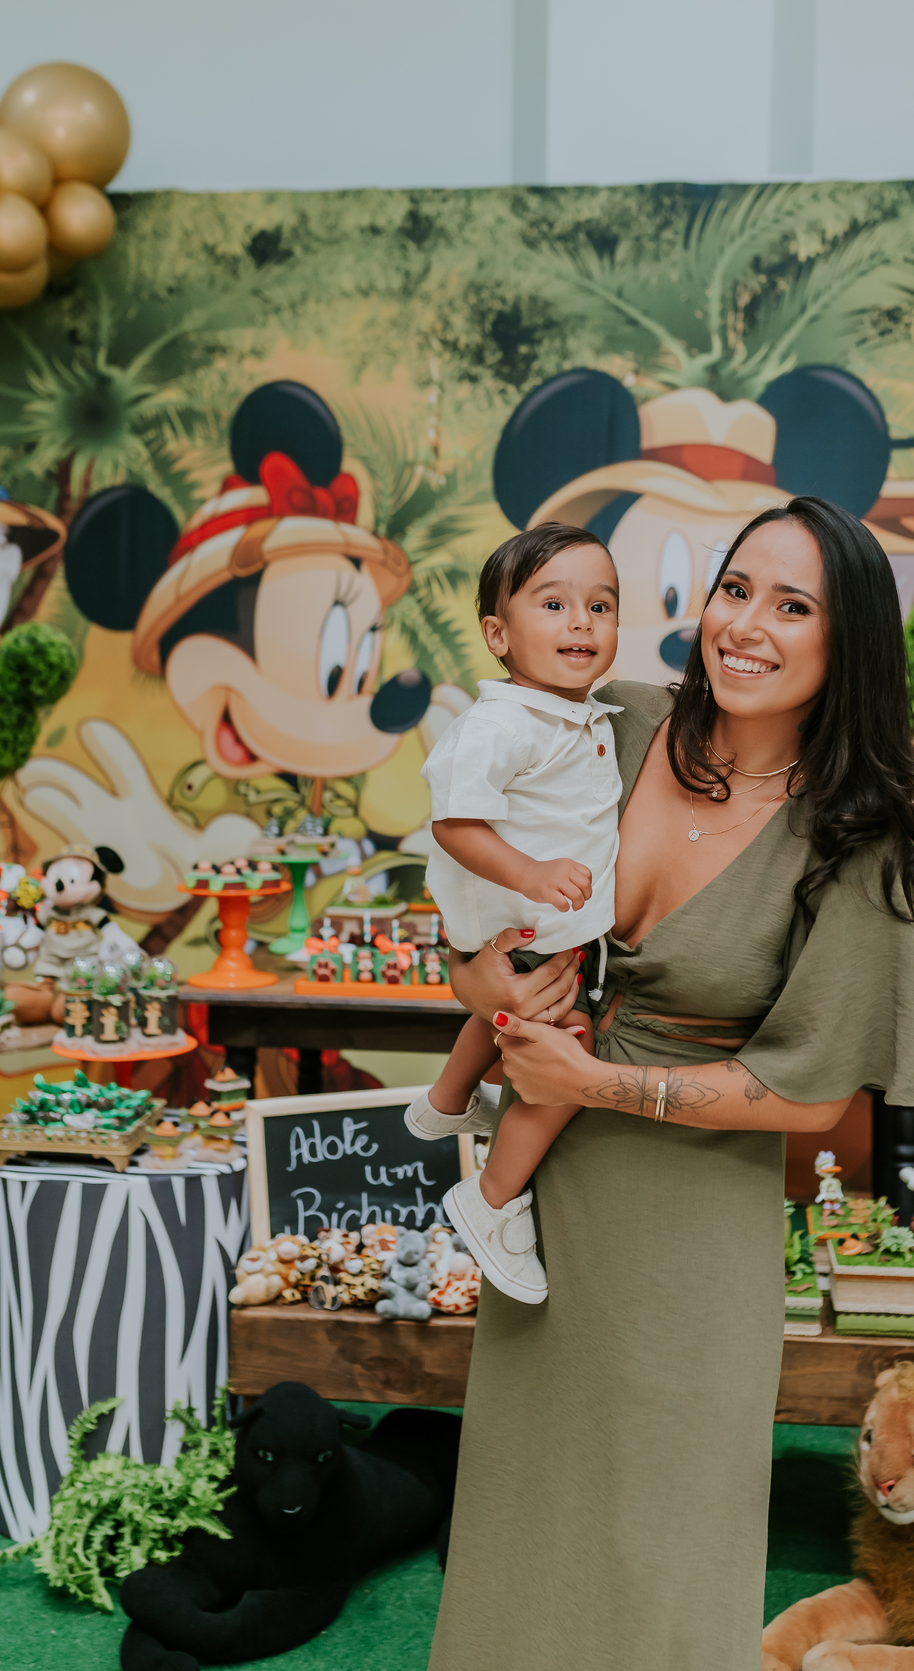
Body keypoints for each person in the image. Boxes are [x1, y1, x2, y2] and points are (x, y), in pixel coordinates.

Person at [427, 497, 914, 1671]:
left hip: (688, 1227)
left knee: (667, 1539)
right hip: (544, 1203)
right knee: (526, 1514)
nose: (747, 625)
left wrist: (599, 1082)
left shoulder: (850, 841)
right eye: (735, 589)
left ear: (843, 640)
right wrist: (478, 979)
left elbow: (813, 1096)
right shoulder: (603, 722)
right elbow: (470, 886)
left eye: (793, 604)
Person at [407, 522, 622, 1303]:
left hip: (531, 932)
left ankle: (446, 1103)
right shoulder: (501, 723)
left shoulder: (577, 715)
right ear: (498, 634)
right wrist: (530, 871)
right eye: (555, 603)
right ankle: (491, 1199)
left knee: (508, 1019)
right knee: (568, 1053)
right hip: (524, 924)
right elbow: (455, 822)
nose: (581, 622)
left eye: (601, 605)